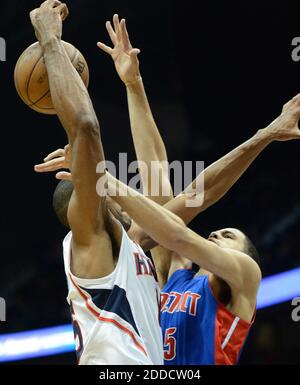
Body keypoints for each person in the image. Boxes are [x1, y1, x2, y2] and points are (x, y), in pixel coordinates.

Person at [35, 14, 300, 365]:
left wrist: (265, 134)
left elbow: (183, 217)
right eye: (219, 232)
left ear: (245, 257)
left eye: (230, 236)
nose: (216, 233)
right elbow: (162, 185)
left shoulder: (241, 276)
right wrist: (134, 84)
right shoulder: (160, 270)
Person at [30, 1, 163, 365]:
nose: (119, 193)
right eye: (105, 189)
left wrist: (133, 84)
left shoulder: (128, 244)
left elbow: (167, 195)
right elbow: (86, 128)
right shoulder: (91, 233)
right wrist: (50, 40)